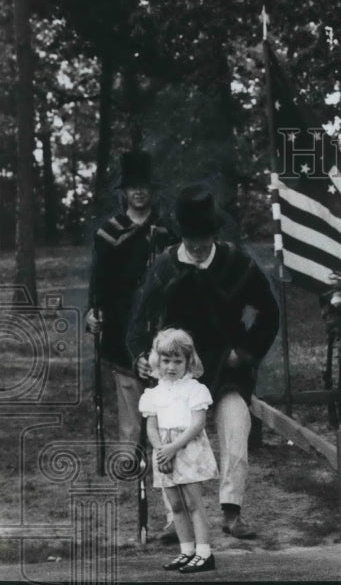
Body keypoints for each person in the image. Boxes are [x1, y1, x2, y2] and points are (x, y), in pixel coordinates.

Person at [128, 183, 280, 539]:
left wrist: (244, 353)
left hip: (225, 368)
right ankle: (173, 518)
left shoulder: (236, 263)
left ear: (214, 234)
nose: (196, 248)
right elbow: (138, 320)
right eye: (190, 240)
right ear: (182, 234)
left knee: (236, 425)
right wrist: (139, 357)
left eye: (203, 239)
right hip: (175, 372)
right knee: (171, 436)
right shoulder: (165, 265)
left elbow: (269, 313)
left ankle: (231, 511)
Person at [85, 150, 178, 539]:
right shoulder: (110, 233)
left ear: (151, 192)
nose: (138, 194)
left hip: (162, 336)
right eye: (132, 188)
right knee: (131, 425)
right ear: (124, 193)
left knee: (166, 425)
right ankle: (136, 495)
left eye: (144, 187)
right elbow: (99, 280)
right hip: (123, 333)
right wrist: (94, 311)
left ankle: (172, 508)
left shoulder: (166, 231)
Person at [139, 329, 218, 573]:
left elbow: (198, 424)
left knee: (193, 503)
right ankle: (187, 551)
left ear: (188, 361)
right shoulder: (153, 393)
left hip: (187, 448)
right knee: (175, 506)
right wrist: (161, 450)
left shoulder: (194, 389)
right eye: (166, 361)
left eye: (177, 361)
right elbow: (151, 426)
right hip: (165, 452)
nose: (171, 367)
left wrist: (173, 447)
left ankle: (205, 553)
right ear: (157, 361)